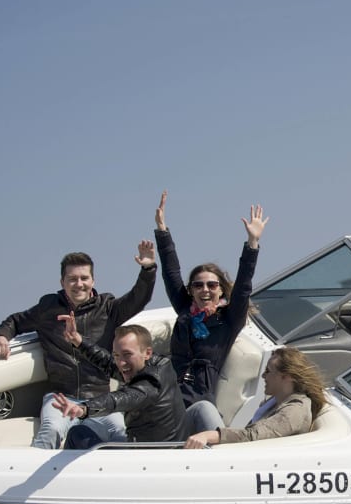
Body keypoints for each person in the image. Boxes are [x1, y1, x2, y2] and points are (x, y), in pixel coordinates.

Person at [0, 243, 157, 449]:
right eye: (72, 279)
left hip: (99, 399)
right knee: (50, 431)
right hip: (60, 397)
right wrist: (1, 336)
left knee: (121, 434)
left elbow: (139, 298)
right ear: (63, 282)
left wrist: (148, 269)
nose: (79, 284)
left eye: (84, 278)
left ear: (93, 280)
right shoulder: (48, 308)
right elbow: (15, 321)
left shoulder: (107, 309)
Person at [154, 191, 267, 434]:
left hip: (198, 399)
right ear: (191, 290)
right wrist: (162, 231)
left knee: (207, 415)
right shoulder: (185, 311)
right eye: (198, 285)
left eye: (212, 285)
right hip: (167, 393)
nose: (205, 290)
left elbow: (244, 285)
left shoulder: (228, 319)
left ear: (220, 289)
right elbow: (171, 273)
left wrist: (252, 244)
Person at [51, 319, 186, 448]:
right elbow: (108, 363)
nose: (121, 363)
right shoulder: (156, 365)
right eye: (117, 355)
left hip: (147, 460)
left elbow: (120, 399)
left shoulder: (150, 383)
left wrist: (84, 409)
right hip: (152, 447)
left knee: (77, 434)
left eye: (127, 354)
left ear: (147, 353)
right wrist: (78, 341)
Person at [184, 346, 326, 448]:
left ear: (286, 377)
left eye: (268, 371)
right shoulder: (279, 398)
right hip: (243, 449)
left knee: (202, 409)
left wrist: (209, 436)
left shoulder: (293, 412)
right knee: (203, 407)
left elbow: (253, 436)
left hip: (239, 458)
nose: (263, 376)